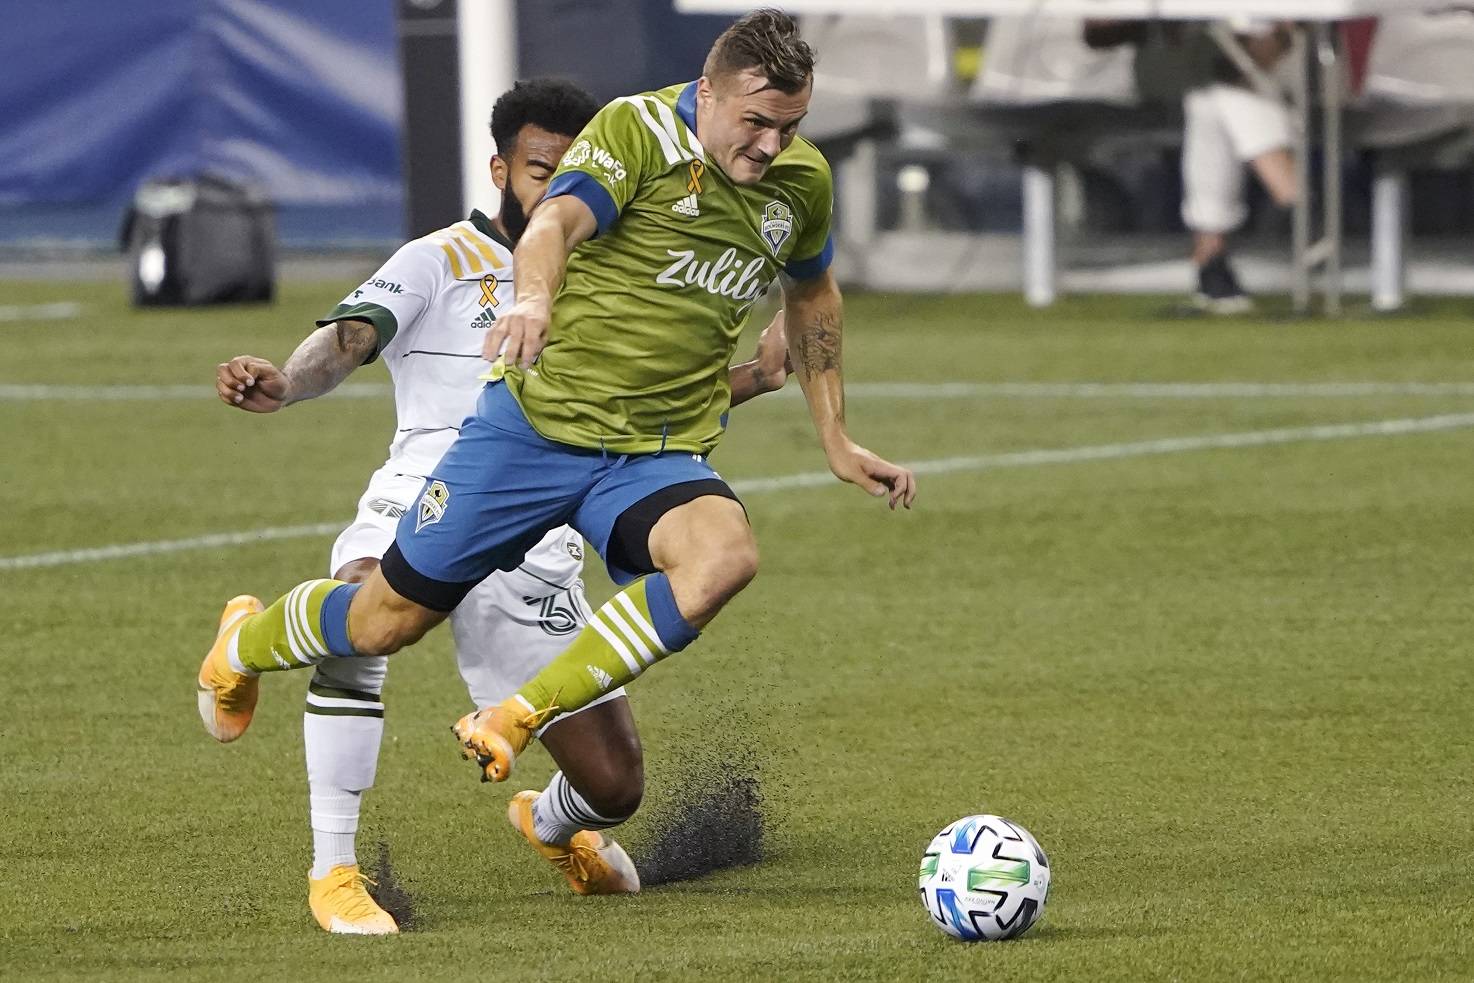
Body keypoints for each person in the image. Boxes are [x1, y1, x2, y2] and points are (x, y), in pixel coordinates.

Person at [199, 5, 914, 911]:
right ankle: (246, 643)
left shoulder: (800, 183)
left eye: (791, 125)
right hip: (533, 435)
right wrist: (532, 301)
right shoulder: (635, 131)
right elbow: (551, 228)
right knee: (382, 624)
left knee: (724, 556)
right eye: (755, 121)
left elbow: (813, 298)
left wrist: (836, 437)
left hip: (650, 454)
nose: (772, 143)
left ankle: (520, 720)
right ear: (707, 92)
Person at [1086, 18, 1298, 312]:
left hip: (1306, 74)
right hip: (1213, 78)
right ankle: (1295, 202)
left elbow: (1286, 37)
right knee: (1215, 96)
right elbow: (1095, 33)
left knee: (1218, 95)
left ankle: (1214, 256)